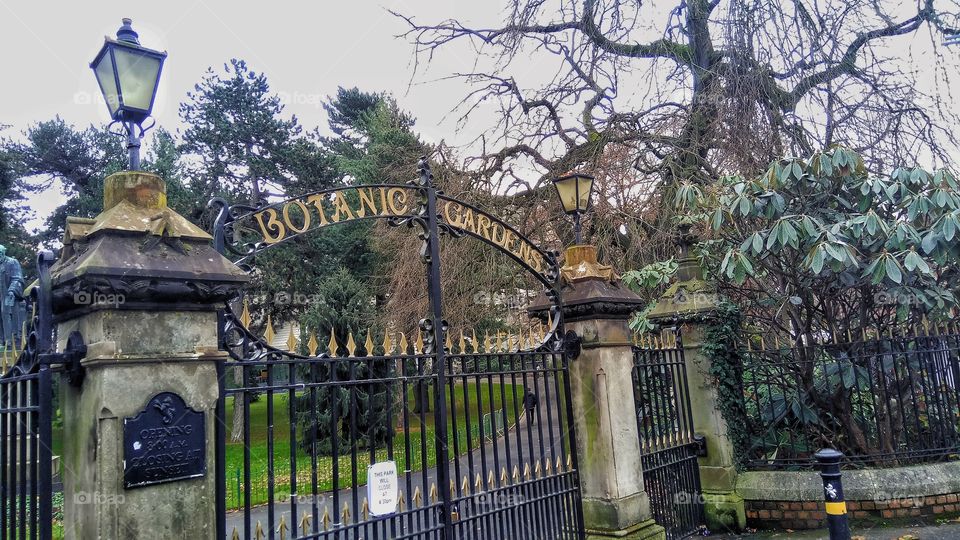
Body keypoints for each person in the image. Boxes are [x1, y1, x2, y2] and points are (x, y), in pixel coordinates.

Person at [0, 245, 24, 350]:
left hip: (8, 294)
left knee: (5, 314)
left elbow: (17, 278)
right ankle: (1, 340)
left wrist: (12, 290)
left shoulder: (12, 262)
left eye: (0, 253)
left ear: (4, 253)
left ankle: (9, 341)